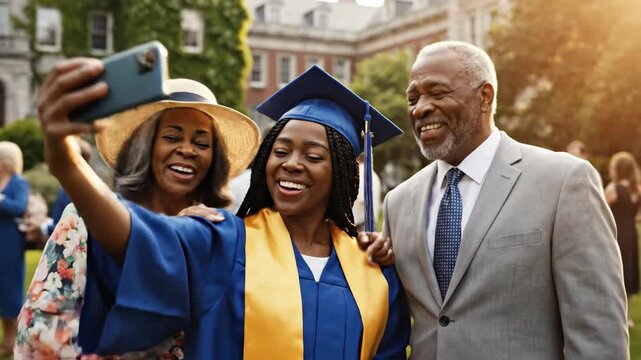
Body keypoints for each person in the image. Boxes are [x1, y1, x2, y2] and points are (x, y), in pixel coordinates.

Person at [35, 60, 410, 358]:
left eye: (313, 156)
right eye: (279, 151)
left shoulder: (372, 269)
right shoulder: (227, 240)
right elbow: (139, 238)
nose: (291, 164)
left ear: (344, 173)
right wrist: (66, 163)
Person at [360, 41, 628, 358]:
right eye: (413, 98)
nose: (420, 108)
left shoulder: (563, 181)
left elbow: (598, 335)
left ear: (484, 97)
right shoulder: (398, 201)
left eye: (437, 93)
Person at [14, 77, 260, 358]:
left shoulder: (217, 230)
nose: (187, 150)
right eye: (172, 136)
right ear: (146, 145)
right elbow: (39, 329)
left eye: (202, 143)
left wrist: (190, 236)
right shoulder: (84, 218)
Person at [0, 141, 29, 357]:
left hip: (10, 244)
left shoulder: (18, 182)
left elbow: (19, 207)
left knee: (10, 291)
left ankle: (13, 341)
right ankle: (6, 341)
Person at [605, 151, 641, 327]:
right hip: (632, 234)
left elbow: (600, 212)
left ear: (616, 169)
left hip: (615, 234)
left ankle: (614, 315)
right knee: (630, 270)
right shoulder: (637, 190)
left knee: (615, 271)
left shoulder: (613, 189)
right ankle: (627, 318)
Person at [353, 153, 381, 231]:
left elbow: (363, 199)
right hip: (371, 223)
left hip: (361, 224)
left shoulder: (360, 173)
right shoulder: (374, 175)